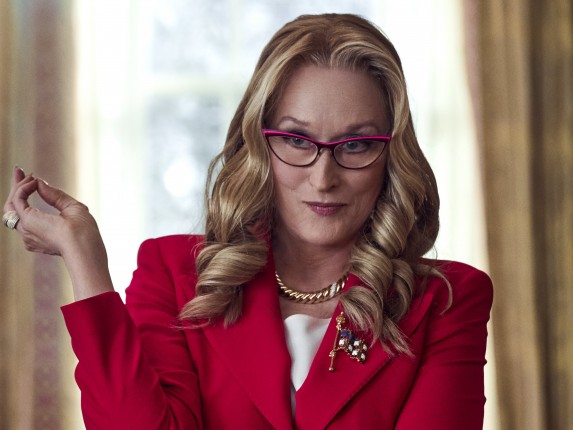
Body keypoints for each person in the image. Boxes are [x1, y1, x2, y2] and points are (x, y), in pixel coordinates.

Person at [3, 13, 493, 430]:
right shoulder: (173, 272)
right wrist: (86, 263)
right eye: (297, 140)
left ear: (391, 154)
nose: (323, 178)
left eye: (356, 144)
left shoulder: (447, 301)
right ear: (259, 144)